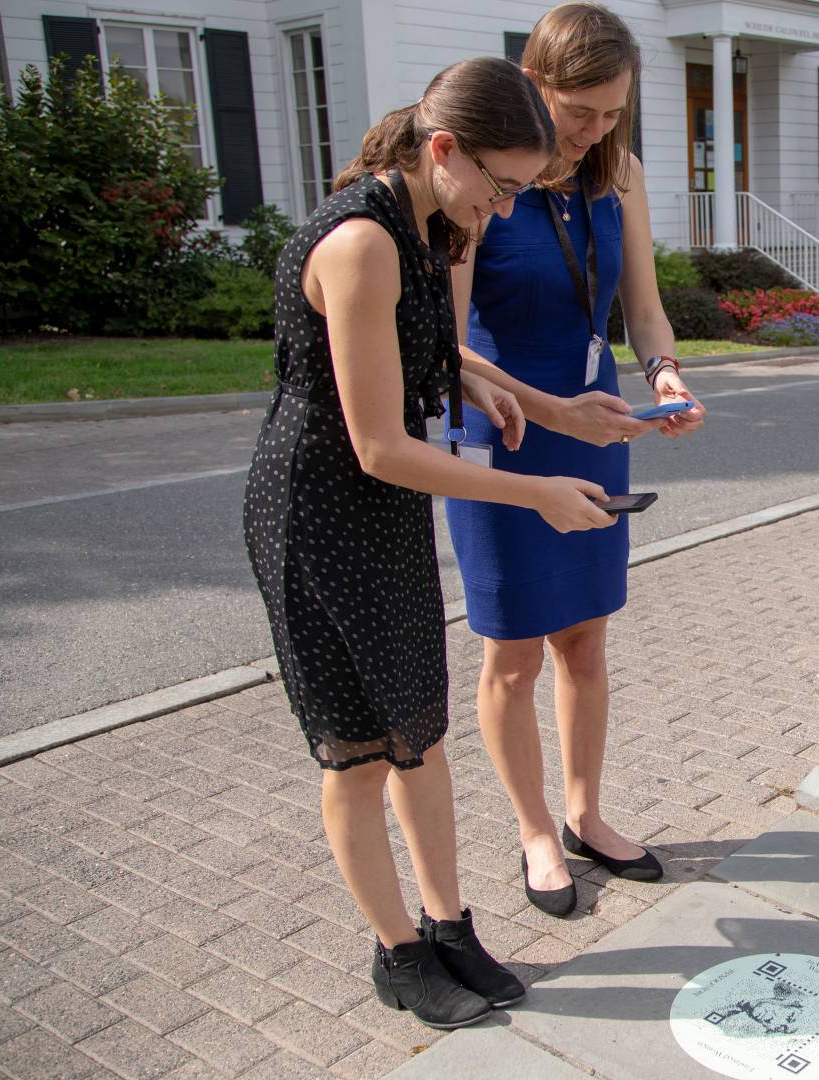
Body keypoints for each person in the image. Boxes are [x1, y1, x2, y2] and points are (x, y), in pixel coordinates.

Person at [242, 57, 619, 1029]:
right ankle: (397, 951)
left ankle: (449, 927)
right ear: (442, 148)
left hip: (381, 514)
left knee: (422, 733)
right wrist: (533, 489)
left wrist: (541, 404)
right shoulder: (363, 240)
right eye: (499, 187)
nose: (501, 214)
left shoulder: (424, 221)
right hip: (318, 519)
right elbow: (375, 445)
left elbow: (434, 350)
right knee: (360, 754)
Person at [446, 1, 706, 919]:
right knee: (512, 654)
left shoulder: (619, 173)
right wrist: (551, 410)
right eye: (579, 110)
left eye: (612, 114)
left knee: (586, 641)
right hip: (505, 438)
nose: (596, 131)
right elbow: (447, 344)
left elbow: (642, 311)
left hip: (597, 428)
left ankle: (587, 813)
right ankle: (530, 832)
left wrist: (666, 378)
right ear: (535, 83)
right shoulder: (486, 180)